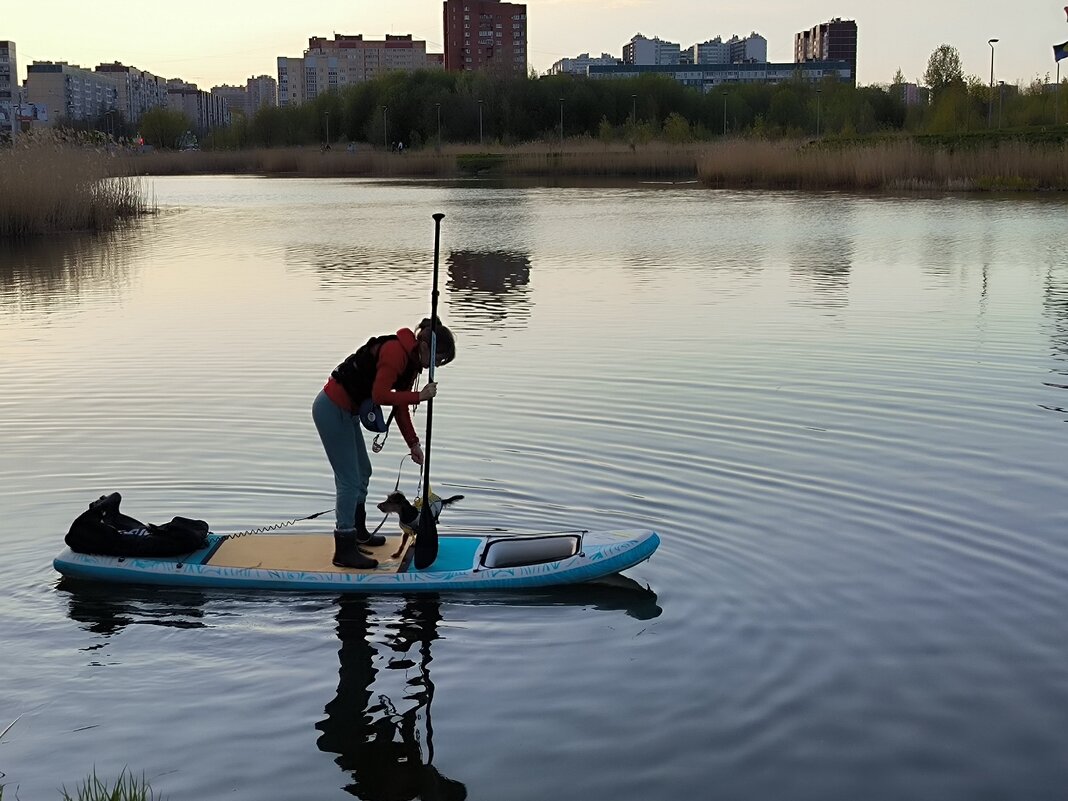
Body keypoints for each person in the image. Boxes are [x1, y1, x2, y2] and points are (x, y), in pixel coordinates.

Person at [313, 319, 456, 569]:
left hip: (348, 413)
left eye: (441, 363)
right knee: (349, 480)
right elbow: (380, 395)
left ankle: (358, 532)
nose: (435, 366)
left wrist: (413, 444)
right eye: (438, 359)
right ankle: (344, 549)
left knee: (363, 473)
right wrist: (419, 396)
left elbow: (399, 406)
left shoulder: (410, 363)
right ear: (424, 346)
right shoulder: (394, 353)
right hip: (331, 409)